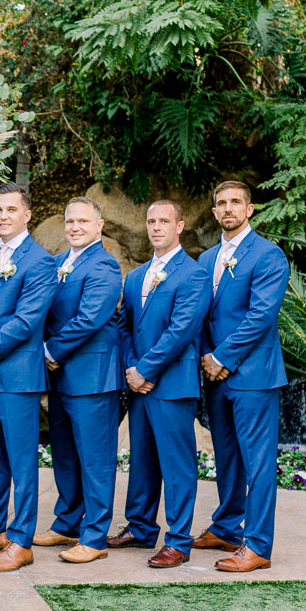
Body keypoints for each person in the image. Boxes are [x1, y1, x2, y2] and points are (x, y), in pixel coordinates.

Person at [109, 200, 210, 568]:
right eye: (151, 221)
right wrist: (131, 368)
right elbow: (123, 326)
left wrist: (146, 370)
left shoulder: (193, 274)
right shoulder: (135, 277)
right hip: (139, 385)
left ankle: (179, 541)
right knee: (143, 460)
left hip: (172, 384)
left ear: (179, 226)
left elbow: (182, 330)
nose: (156, 227)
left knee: (177, 464)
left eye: (164, 221)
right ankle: (139, 527)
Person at [194, 181, 288, 573]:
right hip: (215, 376)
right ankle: (227, 526)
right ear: (215, 212)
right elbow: (197, 314)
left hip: (253, 376)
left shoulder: (268, 256)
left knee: (258, 462)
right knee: (228, 457)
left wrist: (222, 357)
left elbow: (260, 317)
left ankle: (258, 545)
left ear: (250, 209)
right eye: (221, 203)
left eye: (236, 202)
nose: (228, 208)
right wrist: (204, 356)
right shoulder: (205, 259)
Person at [0, 183, 57, 572]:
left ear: (27, 215)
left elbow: (27, 321)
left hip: (18, 377)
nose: (3, 216)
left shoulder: (41, 262)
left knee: (22, 462)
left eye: (10, 210)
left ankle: (21, 541)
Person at [35, 197, 122, 564]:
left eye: (83, 222)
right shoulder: (58, 263)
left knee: (95, 459)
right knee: (66, 455)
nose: (74, 227)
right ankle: (67, 522)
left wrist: (50, 353)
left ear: (98, 226)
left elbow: (88, 320)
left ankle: (95, 536)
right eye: (70, 221)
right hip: (61, 380)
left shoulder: (104, 266)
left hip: (91, 380)